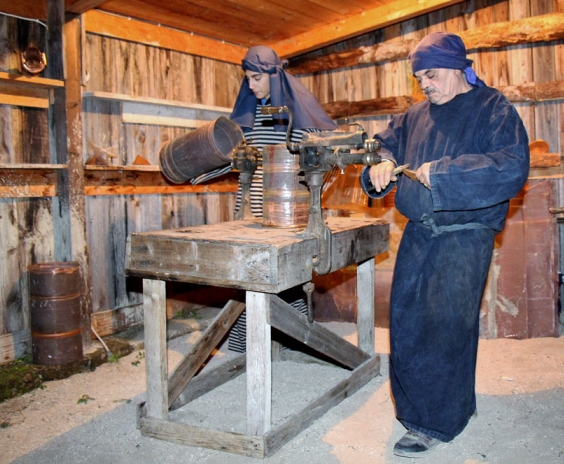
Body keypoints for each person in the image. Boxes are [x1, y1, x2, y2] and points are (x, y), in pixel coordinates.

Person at [360, 32, 530, 457]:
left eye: (431, 75)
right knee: (405, 323)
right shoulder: (414, 116)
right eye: (419, 78)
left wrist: (445, 173)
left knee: (445, 327)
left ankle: (432, 423)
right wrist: (378, 165)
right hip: (419, 230)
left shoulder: (493, 109)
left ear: (457, 68)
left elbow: (512, 167)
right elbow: (382, 145)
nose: (425, 84)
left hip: (465, 235)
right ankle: (437, 407)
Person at [226, 45, 338, 352]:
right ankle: (249, 342)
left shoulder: (295, 110)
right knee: (253, 272)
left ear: (274, 77)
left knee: (285, 274)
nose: (251, 85)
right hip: (258, 205)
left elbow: (318, 150)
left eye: (257, 78)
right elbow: (243, 154)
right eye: (247, 78)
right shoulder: (254, 112)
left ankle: (292, 336)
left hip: (291, 206)